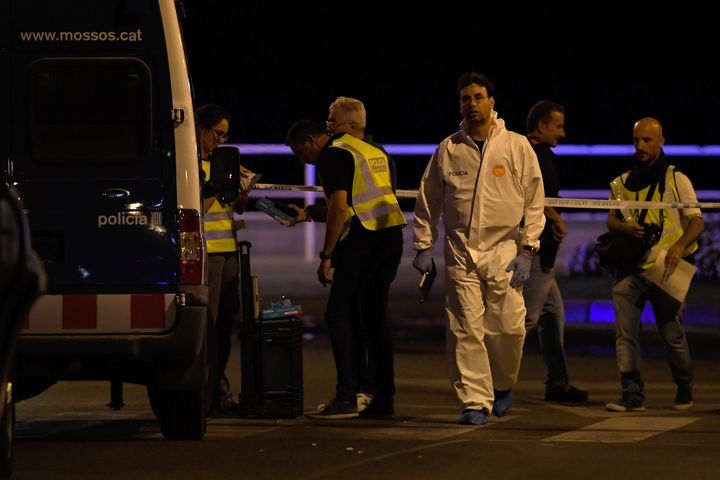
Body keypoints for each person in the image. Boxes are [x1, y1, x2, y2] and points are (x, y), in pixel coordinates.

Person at [412, 72, 545, 426]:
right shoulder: (449, 149)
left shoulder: (516, 146)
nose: (471, 104)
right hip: (460, 250)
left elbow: (534, 202)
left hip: (505, 249)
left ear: (491, 102)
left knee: (509, 327)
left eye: (478, 97)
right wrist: (423, 244)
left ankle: (502, 384)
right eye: (465, 99)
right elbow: (429, 200)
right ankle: (474, 400)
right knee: (464, 327)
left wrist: (528, 249)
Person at [285, 118, 406, 419]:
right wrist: (311, 213)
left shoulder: (332, 155)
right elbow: (356, 204)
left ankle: (347, 396)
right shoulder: (367, 149)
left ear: (312, 141)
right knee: (372, 318)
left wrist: (327, 255)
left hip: (365, 242)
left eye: (300, 153)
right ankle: (380, 397)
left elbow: (340, 209)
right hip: (390, 236)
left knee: (338, 313)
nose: (302, 161)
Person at [604, 117, 704, 412]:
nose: (640, 146)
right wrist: (626, 229)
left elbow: (697, 222)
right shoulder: (621, 182)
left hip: (667, 269)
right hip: (631, 269)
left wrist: (679, 245)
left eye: (647, 140)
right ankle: (632, 394)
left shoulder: (677, 179)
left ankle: (685, 387)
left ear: (661, 141)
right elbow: (611, 218)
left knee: (672, 335)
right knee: (625, 334)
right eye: (636, 140)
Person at [523, 101, 588, 403]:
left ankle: (557, 383)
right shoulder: (538, 155)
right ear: (541, 126)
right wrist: (557, 217)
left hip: (544, 256)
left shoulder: (532, 154)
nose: (563, 133)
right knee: (522, 321)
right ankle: (488, 381)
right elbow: (530, 195)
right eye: (558, 126)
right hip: (536, 254)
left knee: (553, 317)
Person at [197, 103, 248, 414]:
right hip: (209, 255)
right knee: (210, 327)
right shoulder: (192, 165)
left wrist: (242, 189)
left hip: (228, 251)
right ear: (201, 128)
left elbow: (238, 209)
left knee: (225, 326)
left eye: (226, 136)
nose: (220, 141)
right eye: (217, 133)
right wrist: (218, 185)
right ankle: (208, 391)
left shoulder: (222, 163)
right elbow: (197, 208)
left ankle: (218, 390)